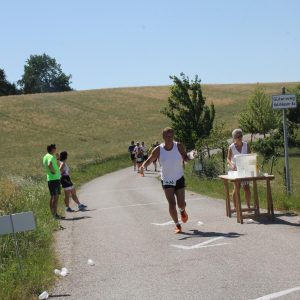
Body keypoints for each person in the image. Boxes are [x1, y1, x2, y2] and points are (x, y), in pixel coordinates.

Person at [141, 127, 191, 233]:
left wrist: (190, 157)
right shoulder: (159, 149)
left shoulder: (179, 146)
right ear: (163, 137)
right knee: (171, 203)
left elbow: (185, 157)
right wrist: (142, 166)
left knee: (181, 203)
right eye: (167, 136)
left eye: (171, 136)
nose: (169, 138)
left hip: (179, 177)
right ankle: (177, 225)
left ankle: (182, 211)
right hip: (166, 179)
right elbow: (150, 159)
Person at [227, 128, 251, 209]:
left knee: (246, 187)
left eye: (240, 136)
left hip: (244, 169)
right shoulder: (231, 147)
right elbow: (228, 159)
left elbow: (250, 156)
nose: (239, 137)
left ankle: (248, 207)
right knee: (237, 188)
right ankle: (236, 207)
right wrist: (231, 165)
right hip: (235, 170)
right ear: (234, 138)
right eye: (237, 136)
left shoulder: (246, 145)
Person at [42, 144, 63, 219]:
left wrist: (57, 158)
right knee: (55, 197)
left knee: (53, 196)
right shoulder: (51, 157)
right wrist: (53, 171)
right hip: (54, 179)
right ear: (53, 149)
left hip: (50, 179)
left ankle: (53, 214)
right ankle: (55, 215)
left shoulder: (45, 156)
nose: (56, 150)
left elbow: (52, 164)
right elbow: (50, 164)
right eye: (55, 148)